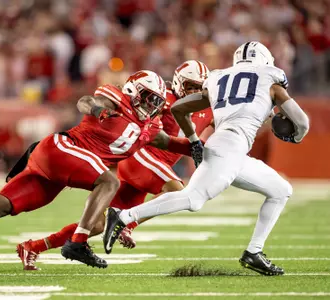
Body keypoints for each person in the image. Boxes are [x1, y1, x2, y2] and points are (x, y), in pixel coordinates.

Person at [0, 70, 196, 269]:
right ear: (133, 91)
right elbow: (86, 100)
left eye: (156, 102)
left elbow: (173, 143)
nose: (153, 106)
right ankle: (76, 245)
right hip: (62, 149)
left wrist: (201, 148)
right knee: (109, 181)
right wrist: (98, 110)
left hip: (64, 167)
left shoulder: (148, 127)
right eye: (148, 99)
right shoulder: (115, 100)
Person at [103, 42, 310, 276]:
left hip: (231, 149)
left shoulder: (219, 79)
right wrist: (297, 136)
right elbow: (302, 122)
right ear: (264, 60)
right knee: (193, 199)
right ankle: (124, 215)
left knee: (280, 190)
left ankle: (254, 252)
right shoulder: (270, 80)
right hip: (229, 148)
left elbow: (179, 108)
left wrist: (193, 139)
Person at [15, 61, 213, 271]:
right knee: (177, 190)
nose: (195, 91)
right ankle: (128, 224)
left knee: (97, 224)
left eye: (199, 87)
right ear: (178, 82)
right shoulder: (164, 98)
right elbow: (135, 113)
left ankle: (34, 247)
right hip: (140, 158)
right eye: (191, 86)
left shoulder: (210, 109)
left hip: (152, 169)